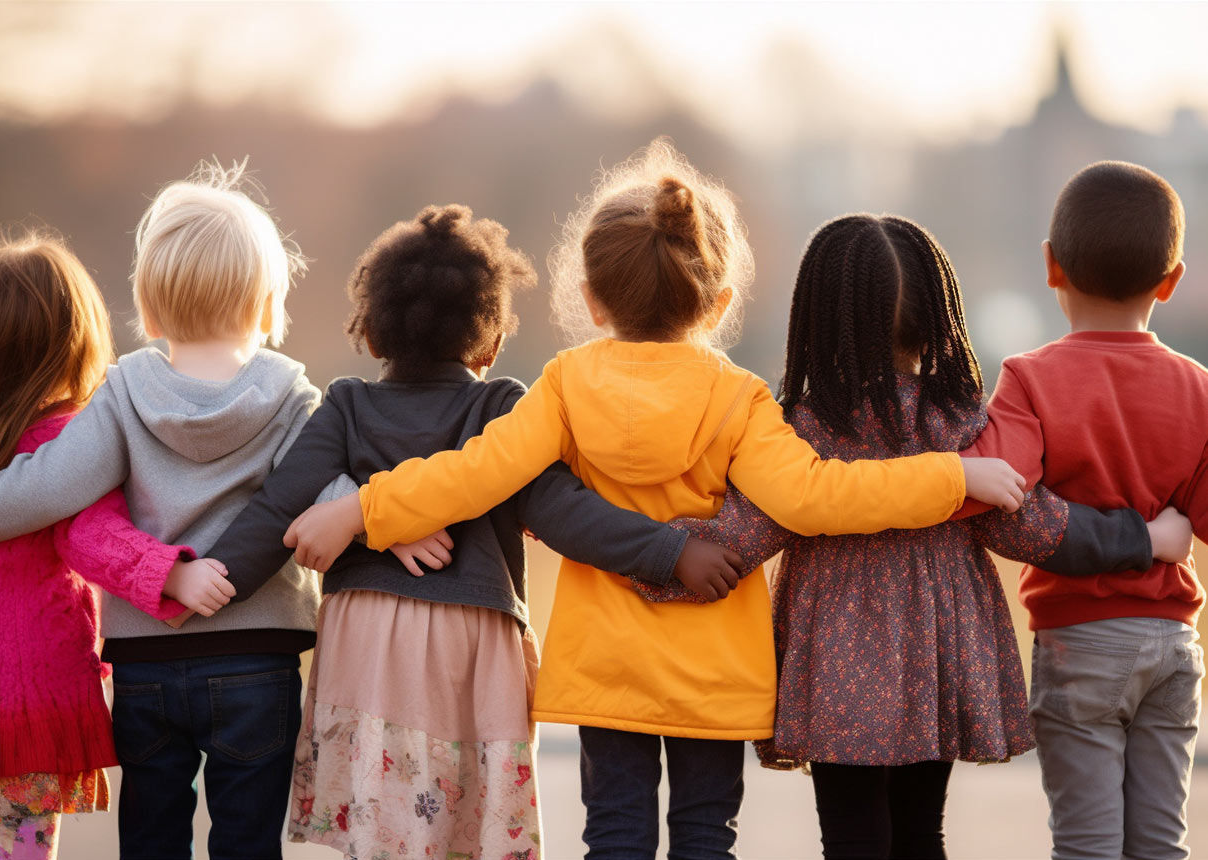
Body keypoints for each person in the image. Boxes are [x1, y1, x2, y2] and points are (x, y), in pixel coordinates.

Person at [277, 140, 1028, 859]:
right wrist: (953, 476)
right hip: (713, 671)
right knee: (707, 839)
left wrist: (362, 509)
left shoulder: (566, 384)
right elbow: (814, 497)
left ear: (593, 300)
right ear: (721, 299)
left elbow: (473, 473)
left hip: (605, 667)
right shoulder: (738, 397)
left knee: (616, 839)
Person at [201, 203, 740, 859]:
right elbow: (565, 512)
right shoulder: (498, 406)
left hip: (366, 638)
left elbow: (276, 509)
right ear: (489, 343)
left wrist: (204, 583)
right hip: (471, 640)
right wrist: (671, 551)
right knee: (466, 833)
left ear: (372, 335)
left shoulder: (345, 404)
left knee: (385, 831)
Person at [660, 213, 1193, 860]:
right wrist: (1145, 539)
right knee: (921, 835)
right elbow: (1032, 524)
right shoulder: (963, 420)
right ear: (939, 316)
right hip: (937, 655)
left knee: (854, 838)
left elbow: (744, 532)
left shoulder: (804, 424)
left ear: (820, 316)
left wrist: (641, 550)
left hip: (838, 662)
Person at [0, 162, 348, 859]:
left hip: (147, 662)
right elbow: (329, 498)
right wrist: (389, 516)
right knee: (247, 838)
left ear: (148, 306)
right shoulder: (294, 399)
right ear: (270, 302)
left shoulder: (123, 395)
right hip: (257, 660)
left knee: (151, 838)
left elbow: (43, 489)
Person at [0, 235, 230, 860]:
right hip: (25, 697)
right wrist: (166, 574)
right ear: (72, 340)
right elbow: (91, 535)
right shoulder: (67, 439)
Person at [963, 161, 1207, 860]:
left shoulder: (1030, 379)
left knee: (1087, 844)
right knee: (1162, 841)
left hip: (1080, 642)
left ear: (1051, 267)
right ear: (1172, 280)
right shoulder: (1199, 389)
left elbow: (1002, 490)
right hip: (1173, 643)